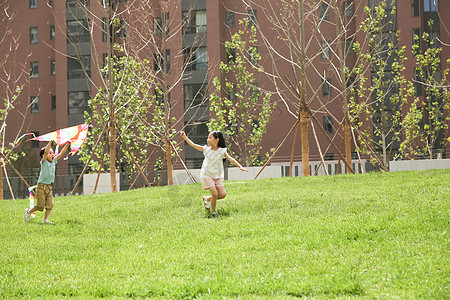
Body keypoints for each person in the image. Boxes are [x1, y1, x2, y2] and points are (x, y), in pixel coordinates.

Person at [180, 130, 248, 218]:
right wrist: (184, 137)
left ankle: (207, 199)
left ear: (216, 140)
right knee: (215, 194)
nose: (207, 139)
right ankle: (213, 213)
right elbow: (193, 145)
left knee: (223, 194)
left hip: (217, 176)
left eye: (210, 138)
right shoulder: (206, 149)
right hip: (207, 175)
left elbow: (231, 159)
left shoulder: (222, 151)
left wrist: (240, 166)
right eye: (207, 138)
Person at [24, 141, 69, 224]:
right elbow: (45, 151)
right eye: (50, 153)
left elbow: (61, 153)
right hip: (41, 187)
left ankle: (45, 220)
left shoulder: (54, 161)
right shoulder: (44, 162)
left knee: (50, 205)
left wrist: (67, 144)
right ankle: (28, 211)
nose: (52, 154)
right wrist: (50, 142)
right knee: (40, 205)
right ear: (43, 156)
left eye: (53, 153)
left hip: (49, 186)